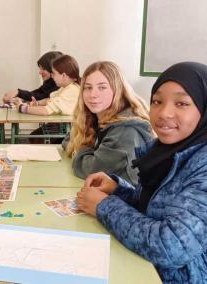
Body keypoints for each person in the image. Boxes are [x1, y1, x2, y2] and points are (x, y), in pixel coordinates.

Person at [76, 62, 207, 283]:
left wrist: (103, 206)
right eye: (157, 101)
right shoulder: (168, 150)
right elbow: (154, 207)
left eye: (182, 103)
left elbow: (171, 246)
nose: (164, 112)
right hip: (142, 265)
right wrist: (119, 189)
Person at [64, 61, 152, 185]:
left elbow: (91, 170)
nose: (93, 95)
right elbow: (70, 139)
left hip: (128, 201)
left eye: (102, 87)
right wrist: (77, 145)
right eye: (88, 87)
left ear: (118, 90)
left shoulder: (126, 130)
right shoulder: (96, 117)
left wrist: (79, 148)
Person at [16, 54, 80, 116]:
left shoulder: (72, 90)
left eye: (54, 74)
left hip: (66, 126)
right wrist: (37, 103)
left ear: (63, 75)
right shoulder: (66, 87)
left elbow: (45, 111)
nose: (52, 76)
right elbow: (49, 99)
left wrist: (22, 108)